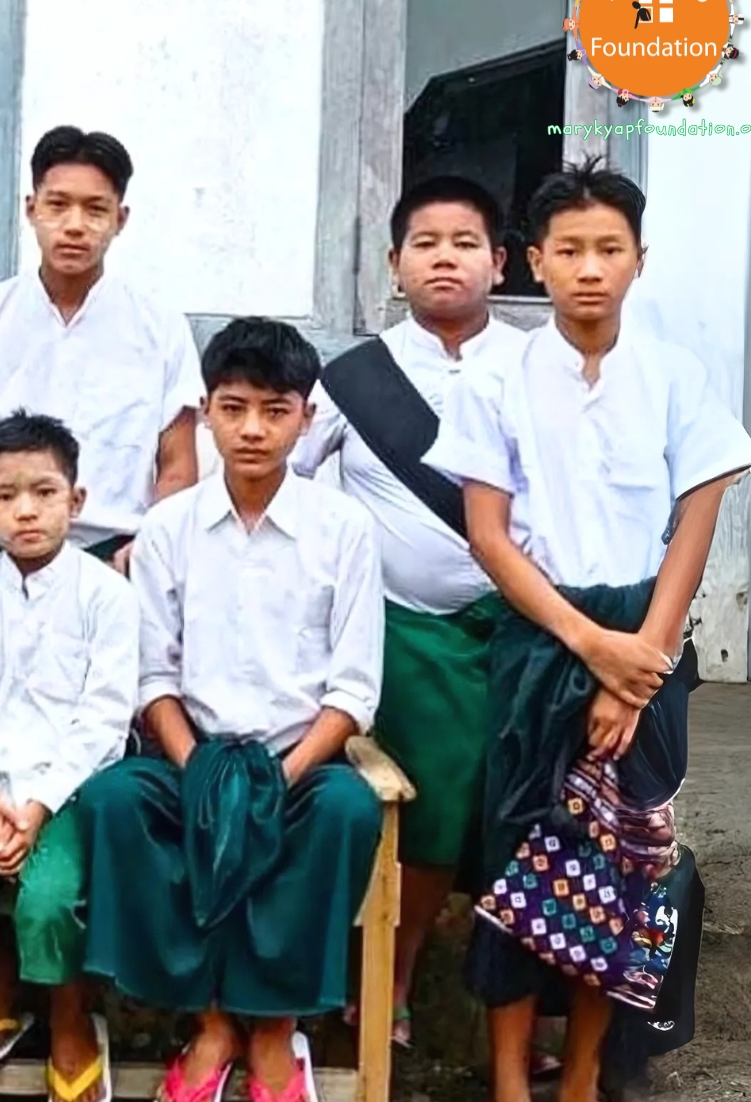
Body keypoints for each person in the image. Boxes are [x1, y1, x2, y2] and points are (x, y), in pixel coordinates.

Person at [422, 159, 751, 1102]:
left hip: (646, 635)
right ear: (535, 261)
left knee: (625, 868)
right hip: (541, 640)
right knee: (520, 855)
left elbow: (697, 520)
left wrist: (641, 665)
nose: (589, 268)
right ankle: (508, 1081)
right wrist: (590, 646)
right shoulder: (495, 378)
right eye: (568, 250)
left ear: (638, 260)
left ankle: (581, 1081)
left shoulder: (675, 376)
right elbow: (489, 536)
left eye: (609, 249)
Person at [76, 318, 385, 1102]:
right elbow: (153, 675)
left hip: (298, 761)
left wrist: (281, 777)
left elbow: (353, 688)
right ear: (206, 412)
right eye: (234, 407)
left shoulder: (343, 529)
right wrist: (199, 773)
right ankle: (210, 1018)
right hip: (193, 753)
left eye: (275, 410)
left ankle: (275, 1026)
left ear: (306, 418)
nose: (252, 429)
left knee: (347, 811)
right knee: (114, 802)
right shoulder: (168, 526)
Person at [290, 175, 526, 1049]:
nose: (444, 259)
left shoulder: (534, 368)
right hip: (407, 633)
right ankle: (391, 976)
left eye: (465, 243)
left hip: (525, 629)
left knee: (524, 808)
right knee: (429, 805)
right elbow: (284, 480)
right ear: (395, 264)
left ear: (499, 263)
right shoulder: (352, 380)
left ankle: (522, 997)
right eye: (425, 244)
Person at [0, 411, 137, 1102]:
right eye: (5, 496)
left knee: (49, 902)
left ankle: (68, 1014)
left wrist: (37, 809)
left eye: (44, 492)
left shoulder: (107, 595)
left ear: (77, 500)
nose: (27, 511)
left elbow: (106, 716)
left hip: (71, 787)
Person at [0, 126, 203, 571]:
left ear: (121, 219)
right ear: (31, 209)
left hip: (116, 558)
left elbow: (177, 464)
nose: (74, 225)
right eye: (57, 205)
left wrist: (151, 551)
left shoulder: (161, 328)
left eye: (95, 209)